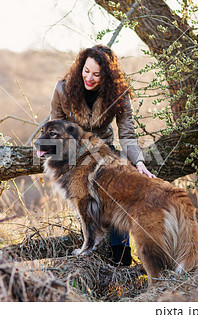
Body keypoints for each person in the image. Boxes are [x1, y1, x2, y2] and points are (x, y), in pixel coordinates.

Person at [49, 44, 156, 266]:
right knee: (83, 196)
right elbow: (54, 124)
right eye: (86, 71)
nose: (89, 77)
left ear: (106, 76)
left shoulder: (119, 93)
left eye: (96, 74)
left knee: (115, 192)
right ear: (80, 67)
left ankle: (122, 256)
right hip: (72, 153)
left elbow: (127, 132)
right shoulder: (62, 89)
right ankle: (90, 246)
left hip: (103, 148)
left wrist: (138, 162)